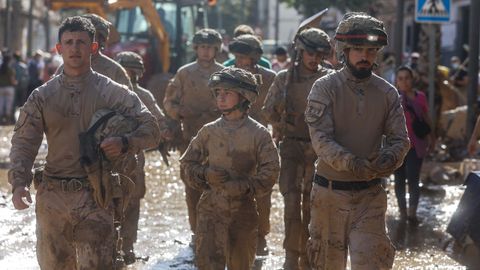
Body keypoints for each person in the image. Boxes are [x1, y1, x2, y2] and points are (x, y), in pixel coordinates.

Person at [8, 16, 159, 269]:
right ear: (59, 49)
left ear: (93, 48)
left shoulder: (111, 91)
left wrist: (125, 142)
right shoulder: (43, 95)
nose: (74, 48)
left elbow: (151, 128)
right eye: (68, 42)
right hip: (52, 198)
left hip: (95, 196)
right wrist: (18, 183)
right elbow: (23, 142)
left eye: (81, 42)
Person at [305, 12, 410, 269]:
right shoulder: (324, 88)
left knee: (372, 263)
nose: (366, 56)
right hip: (329, 195)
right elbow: (321, 140)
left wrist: (387, 159)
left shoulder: (387, 93)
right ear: (344, 51)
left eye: (372, 51)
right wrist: (352, 163)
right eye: (359, 50)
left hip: (370, 196)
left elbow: (401, 140)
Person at [180, 67, 279, 269]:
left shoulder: (258, 134)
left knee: (241, 264)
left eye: (227, 93)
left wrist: (243, 186)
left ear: (244, 97)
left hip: (243, 211)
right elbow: (187, 164)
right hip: (210, 211)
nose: (221, 98)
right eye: (218, 93)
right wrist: (205, 175)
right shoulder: (209, 131)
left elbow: (271, 172)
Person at [263, 27, 332, 269]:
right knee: (291, 204)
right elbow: (268, 111)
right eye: (310, 54)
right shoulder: (283, 79)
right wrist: (282, 115)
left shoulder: (330, 79)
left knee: (314, 205)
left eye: (319, 55)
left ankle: (311, 258)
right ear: (300, 52)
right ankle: (292, 256)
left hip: (319, 150)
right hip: (291, 147)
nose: (314, 59)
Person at [163, 28, 224, 245]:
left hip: (220, 141)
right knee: (192, 187)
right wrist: (179, 113)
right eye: (202, 47)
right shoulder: (184, 73)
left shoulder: (225, 73)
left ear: (216, 49)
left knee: (220, 186)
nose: (206, 52)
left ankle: (217, 231)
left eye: (210, 48)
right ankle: (197, 232)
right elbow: (169, 102)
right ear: (196, 49)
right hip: (190, 139)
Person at [115, 51, 171, 264]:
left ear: (138, 74)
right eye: (124, 71)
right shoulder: (106, 92)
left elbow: (159, 120)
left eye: (131, 72)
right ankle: (111, 247)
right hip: (107, 161)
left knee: (132, 205)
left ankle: (127, 247)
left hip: (134, 161)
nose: (128, 76)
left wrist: (164, 131)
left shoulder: (144, 95)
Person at [228, 33, 276, 254]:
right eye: (237, 57)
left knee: (262, 192)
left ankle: (261, 235)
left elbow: (279, 109)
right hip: (233, 142)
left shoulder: (271, 79)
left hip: (262, 142)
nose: (239, 61)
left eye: (244, 57)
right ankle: (235, 235)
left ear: (255, 57)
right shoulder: (227, 78)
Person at [394, 65, 435, 225]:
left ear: (412, 79)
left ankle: (412, 213)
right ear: (396, 81)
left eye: (407, 78)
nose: (404, 81)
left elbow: (426, 117)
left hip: (416, 145)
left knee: (413, 179)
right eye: (401, 78)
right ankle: (402, 212)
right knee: (398, 180)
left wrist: (433, 137)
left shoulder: (420, 97)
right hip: (397, 146)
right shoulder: (392, 97)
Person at [56, 13, 133, 90]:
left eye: (91, 37)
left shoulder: (114, 70)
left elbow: (127, 99)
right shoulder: (64, 69)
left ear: (100, 40)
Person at [0, 53, 17, 124]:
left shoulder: (0, 68)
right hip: (9, 88)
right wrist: (16, 83)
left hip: (1, 88)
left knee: (1, 104)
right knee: (8, 105)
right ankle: (7, 121)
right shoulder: (10, 69)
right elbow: (12, 80)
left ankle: (1, 120)